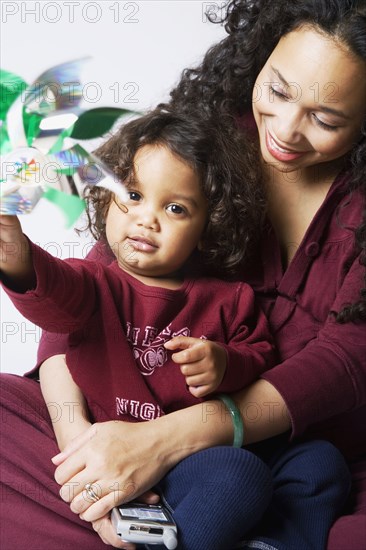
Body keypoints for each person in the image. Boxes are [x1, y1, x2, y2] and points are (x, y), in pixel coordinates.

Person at [1, 0, 365, 548]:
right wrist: (87, 465)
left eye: (326, 119)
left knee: (312, 483)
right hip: (114, 426)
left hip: (271, 445)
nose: (287, 130)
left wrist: (167, 440)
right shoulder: (203, 143)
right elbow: (86, 290)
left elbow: (336, 356)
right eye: (278, 91)